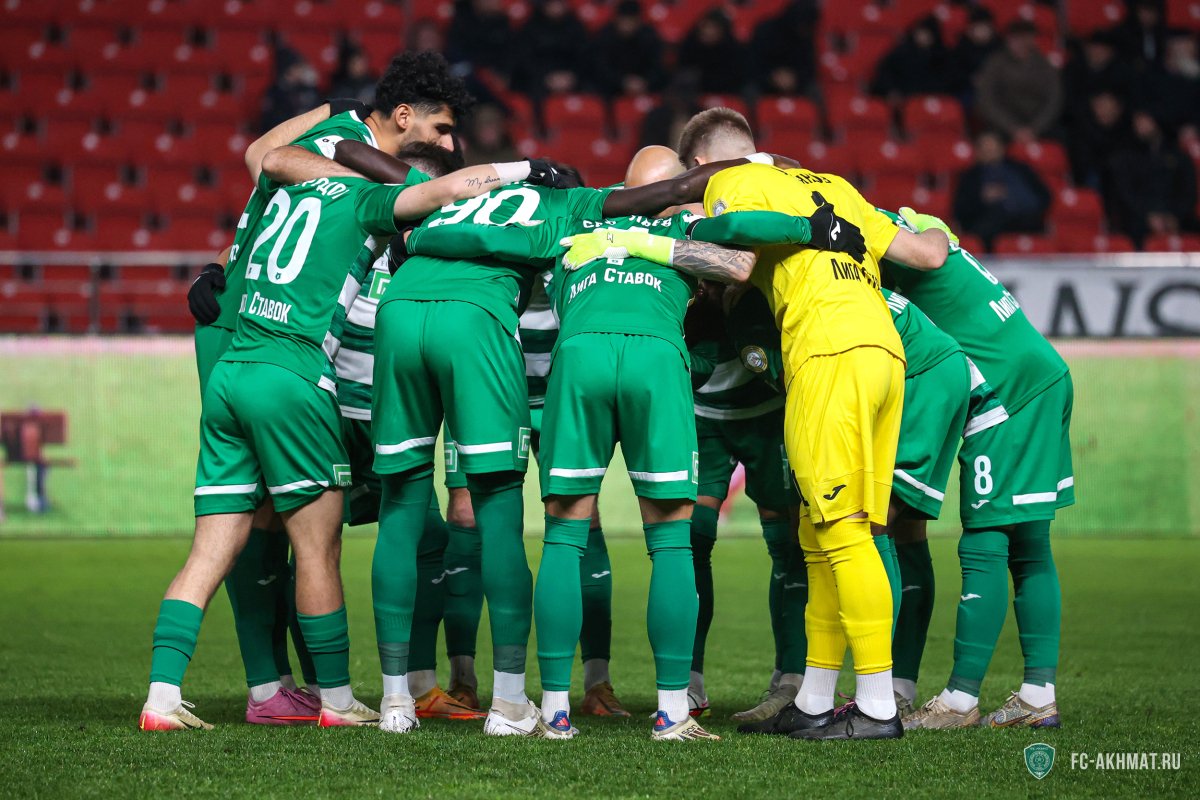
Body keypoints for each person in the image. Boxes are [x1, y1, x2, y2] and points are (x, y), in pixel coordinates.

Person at [141, 122, 552, 730]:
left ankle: (163, 697)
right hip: (301, 381)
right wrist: (527, 171)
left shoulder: (287, 193)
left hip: (233, 371)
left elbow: (268, 158)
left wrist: (212, 265)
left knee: (212, 549)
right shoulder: (374, 205)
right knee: (320, 546)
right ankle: (339, 698)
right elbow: (443, 192)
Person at [580, 107, 951, 740]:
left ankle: (876, 708)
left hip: (827, 353)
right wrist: (933, 224)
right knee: (821, 532)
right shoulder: (835, 186)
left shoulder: (736, 183)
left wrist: (660, 233)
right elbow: (922, 253)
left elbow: (735, 241)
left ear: (702, 166)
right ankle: (814, 699)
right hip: (883, 353)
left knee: (843, 533)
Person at [884, 209, 1073, 730]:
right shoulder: (909, 225)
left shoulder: (872, 244)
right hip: (1041, 371)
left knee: (983, 543)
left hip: (1005, 391)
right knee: (1030, 545)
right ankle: (1037, 694)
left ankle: (960, 700)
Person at [684, 284, 805, 723]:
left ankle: (790, 676)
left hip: (767, 416)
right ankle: (688, 681)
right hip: (703, 418)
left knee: (789, 545)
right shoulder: (685, 281)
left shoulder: (753, 288)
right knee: (692, 541)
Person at [1105, 111, 1198, 248]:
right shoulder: (1124, 157)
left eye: (1145, 119)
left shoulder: (1178, 157)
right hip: (1137, 222)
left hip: (1177, 220)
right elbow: (1125, 194)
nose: (1140, 125)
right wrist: (1149, 216)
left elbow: (1188, 192)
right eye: (1137, 120)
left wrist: (1174, 216)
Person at [952, 131, 1051, 251]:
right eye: (986, 150)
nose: (990, 153)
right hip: (989, 228)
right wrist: (982, 198)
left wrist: (1012, 195)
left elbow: (1043, 197)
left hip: (1024, 220)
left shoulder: (1020, 170)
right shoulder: (970, 177)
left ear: (1002, 148)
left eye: (993, 149)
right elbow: (961, 210)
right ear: (978, 151)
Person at [974, 20, 1063, 143]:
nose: (1021, 43)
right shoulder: (995, 63)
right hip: (1003, 124)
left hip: (1038, 124)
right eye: (1017, 39)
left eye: (1026, 39)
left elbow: (1053, 100)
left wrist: (1035, 128)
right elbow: (987, 99)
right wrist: (1013, 128)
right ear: (1008, 40)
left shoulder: (1044, 65)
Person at [588, 0, 665, 97]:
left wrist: (645, 81)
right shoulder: (604, 37)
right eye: (623, 21)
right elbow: (601, 68)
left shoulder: (650, 37)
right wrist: (623, 81)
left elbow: (657, 66)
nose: (626, 26)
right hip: (612, 88)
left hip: (644, 86)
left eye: (630, 21)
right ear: (616, 19)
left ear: (638, 21)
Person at [870, 15, 950, 101]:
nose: (923, 37)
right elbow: (885, 73)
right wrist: (891, 91)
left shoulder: (940, 57)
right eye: (921, 32)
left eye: (927, 34)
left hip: (928, 99)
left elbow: (943, 82)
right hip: (901, 99)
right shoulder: (901, 52)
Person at [749, 0, 819, 97]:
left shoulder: (806, 36)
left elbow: (809, 68)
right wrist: (772, 77)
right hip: (764, 80)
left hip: (796, 82)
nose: (802, 29)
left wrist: (795, 78)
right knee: (750, 92)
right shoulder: (765, 30)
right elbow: (753, 63)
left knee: (815, 92)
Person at [677, 9, 747, 95]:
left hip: (725, 92)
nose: (708, 31)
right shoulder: (690, 43)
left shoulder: (733, 50)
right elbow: (683, 70)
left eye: (714, 28)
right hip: (693, 93)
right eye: (706, 26)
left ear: (723, 32)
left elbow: (735, 78)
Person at [259, 48, 322, 133]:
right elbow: (269, 122)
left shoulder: (307, 90)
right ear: (288, 70)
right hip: (283, 134)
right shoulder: (275, 92)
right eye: (297, 67)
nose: (301, 71)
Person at [947, 7, 1001, 104]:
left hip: (996, 88)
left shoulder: (999, 47)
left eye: (986, 28)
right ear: (970, 30)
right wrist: (971, 79)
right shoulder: (961, 48)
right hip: (968, 89)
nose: (983, 31)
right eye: (979, 28)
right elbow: (954, 73)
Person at [328, 42, 377, 107]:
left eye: (362, 62)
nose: (359, 66)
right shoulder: (340, 86)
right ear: (348, 64)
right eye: (355, 63)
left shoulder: (374, 85)